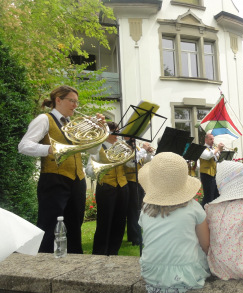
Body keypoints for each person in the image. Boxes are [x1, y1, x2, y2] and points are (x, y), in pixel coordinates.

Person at [18, 85, 104, 254]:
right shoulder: (44, 119)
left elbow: (93, 151)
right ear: (58, 100)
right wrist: (49, 149)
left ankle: (73, 266)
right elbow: (23, 146)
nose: (75, 105)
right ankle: (45, 265)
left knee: (74, 226)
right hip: (53, 179)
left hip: (77, 180)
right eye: (71, 101)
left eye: (76, 102)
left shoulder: (73, 124)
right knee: (49, 226)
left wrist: (98, 130)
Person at [138, 152, 210, 293]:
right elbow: (206, 245)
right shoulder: (194, 208)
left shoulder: (145, 209)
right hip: (187, 274)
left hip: (151, 271)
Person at [86, 121, 129, 255]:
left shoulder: (121, 147)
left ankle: (113, 252)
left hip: (123, 186)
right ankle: (100, 253)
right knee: (105, 222)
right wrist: (100, 170)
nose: (118, 135)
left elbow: (132, 166)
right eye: (115, 132)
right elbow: (88, 169)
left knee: (120, 222)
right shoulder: (98, 148)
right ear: (108, 133)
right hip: (106, 188)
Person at [124, 140, 153, 247]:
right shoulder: (126, 149)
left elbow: (145, 162)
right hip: (130, 181)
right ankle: (135, 237)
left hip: (140, 180)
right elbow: (130, 163)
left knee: (139, 209)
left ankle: (134, 235)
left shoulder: (139, 149)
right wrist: (144, 150)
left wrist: (149, 154)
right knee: (133, 210)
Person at [199, 133, 224, 206]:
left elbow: (217, 159)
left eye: (213, 139)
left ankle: (214, 212)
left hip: (214, 174)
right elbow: (208, 156)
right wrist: (217, 149)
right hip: (206, 174)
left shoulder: (213, 149)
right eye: (210, 139)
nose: (212, 141)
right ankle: (203, 211)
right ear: (205, 140)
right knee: (208, 197)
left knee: (216, 195)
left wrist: (220, 151)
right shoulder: (202, 148)